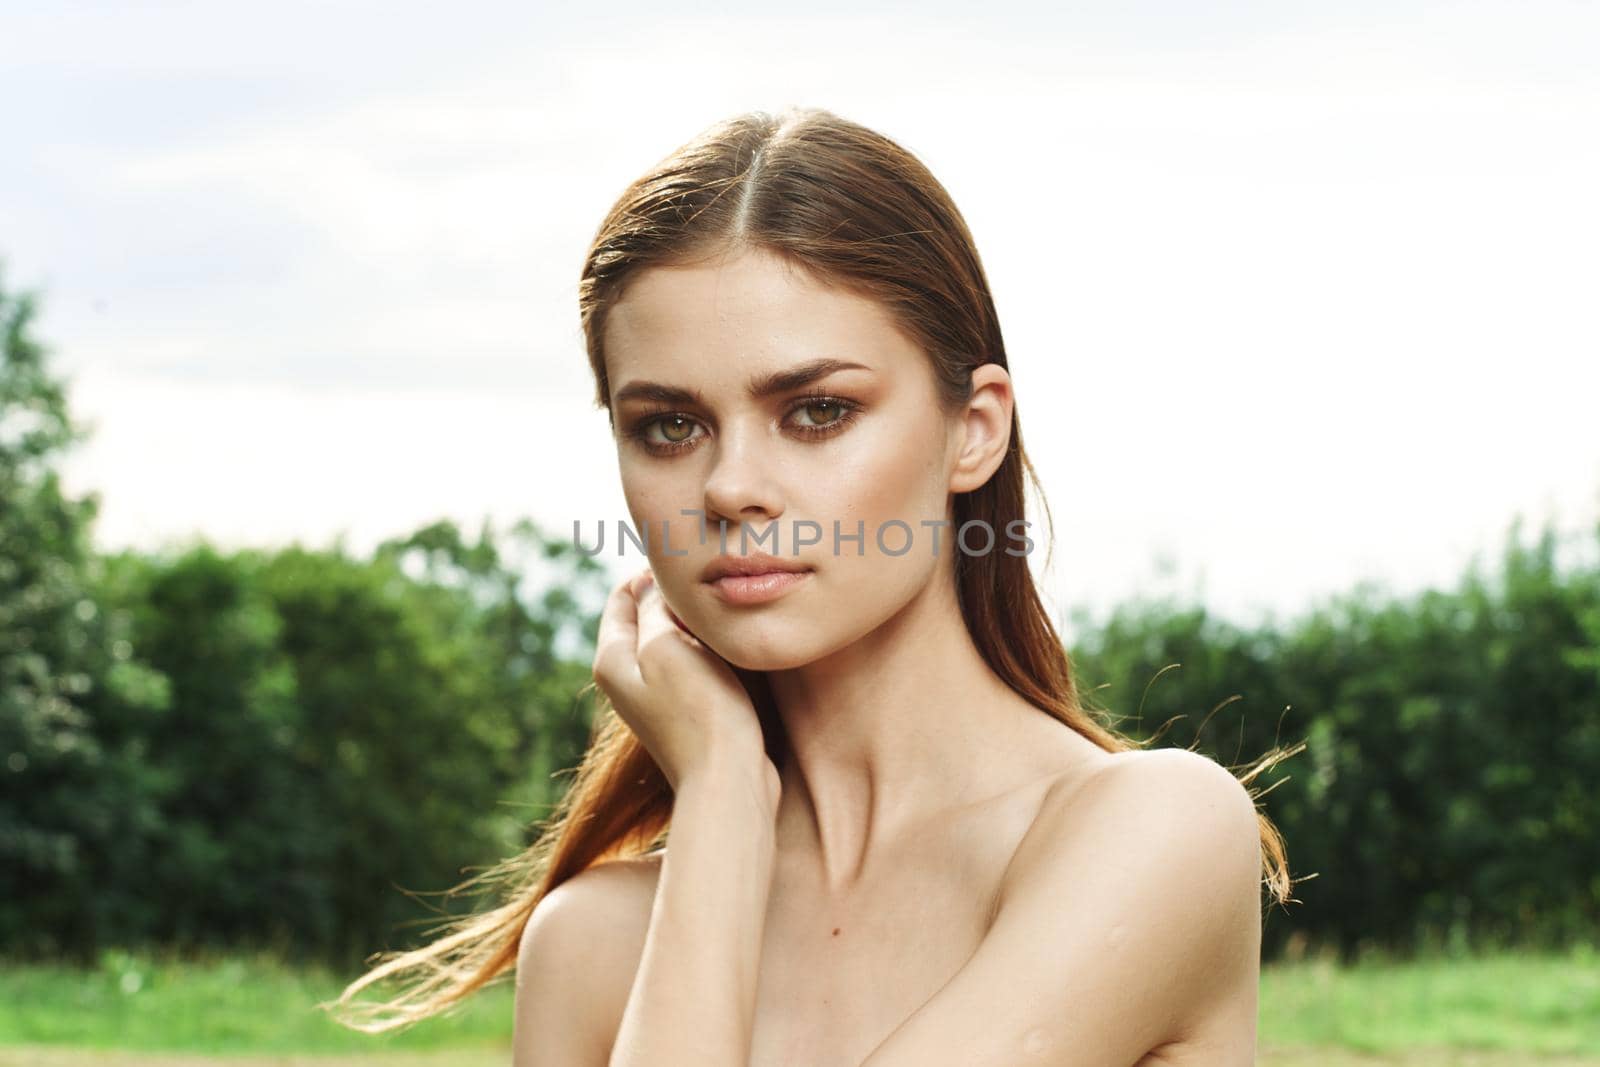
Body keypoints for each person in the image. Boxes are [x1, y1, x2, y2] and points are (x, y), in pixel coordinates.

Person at [325, 105, 1300, 1065]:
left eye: (818, 409)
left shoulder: (1151, 831)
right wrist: (720, 797)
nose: (730, 486)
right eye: (669, 424)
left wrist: (718, 794)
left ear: (975, 428)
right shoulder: (593, 942)